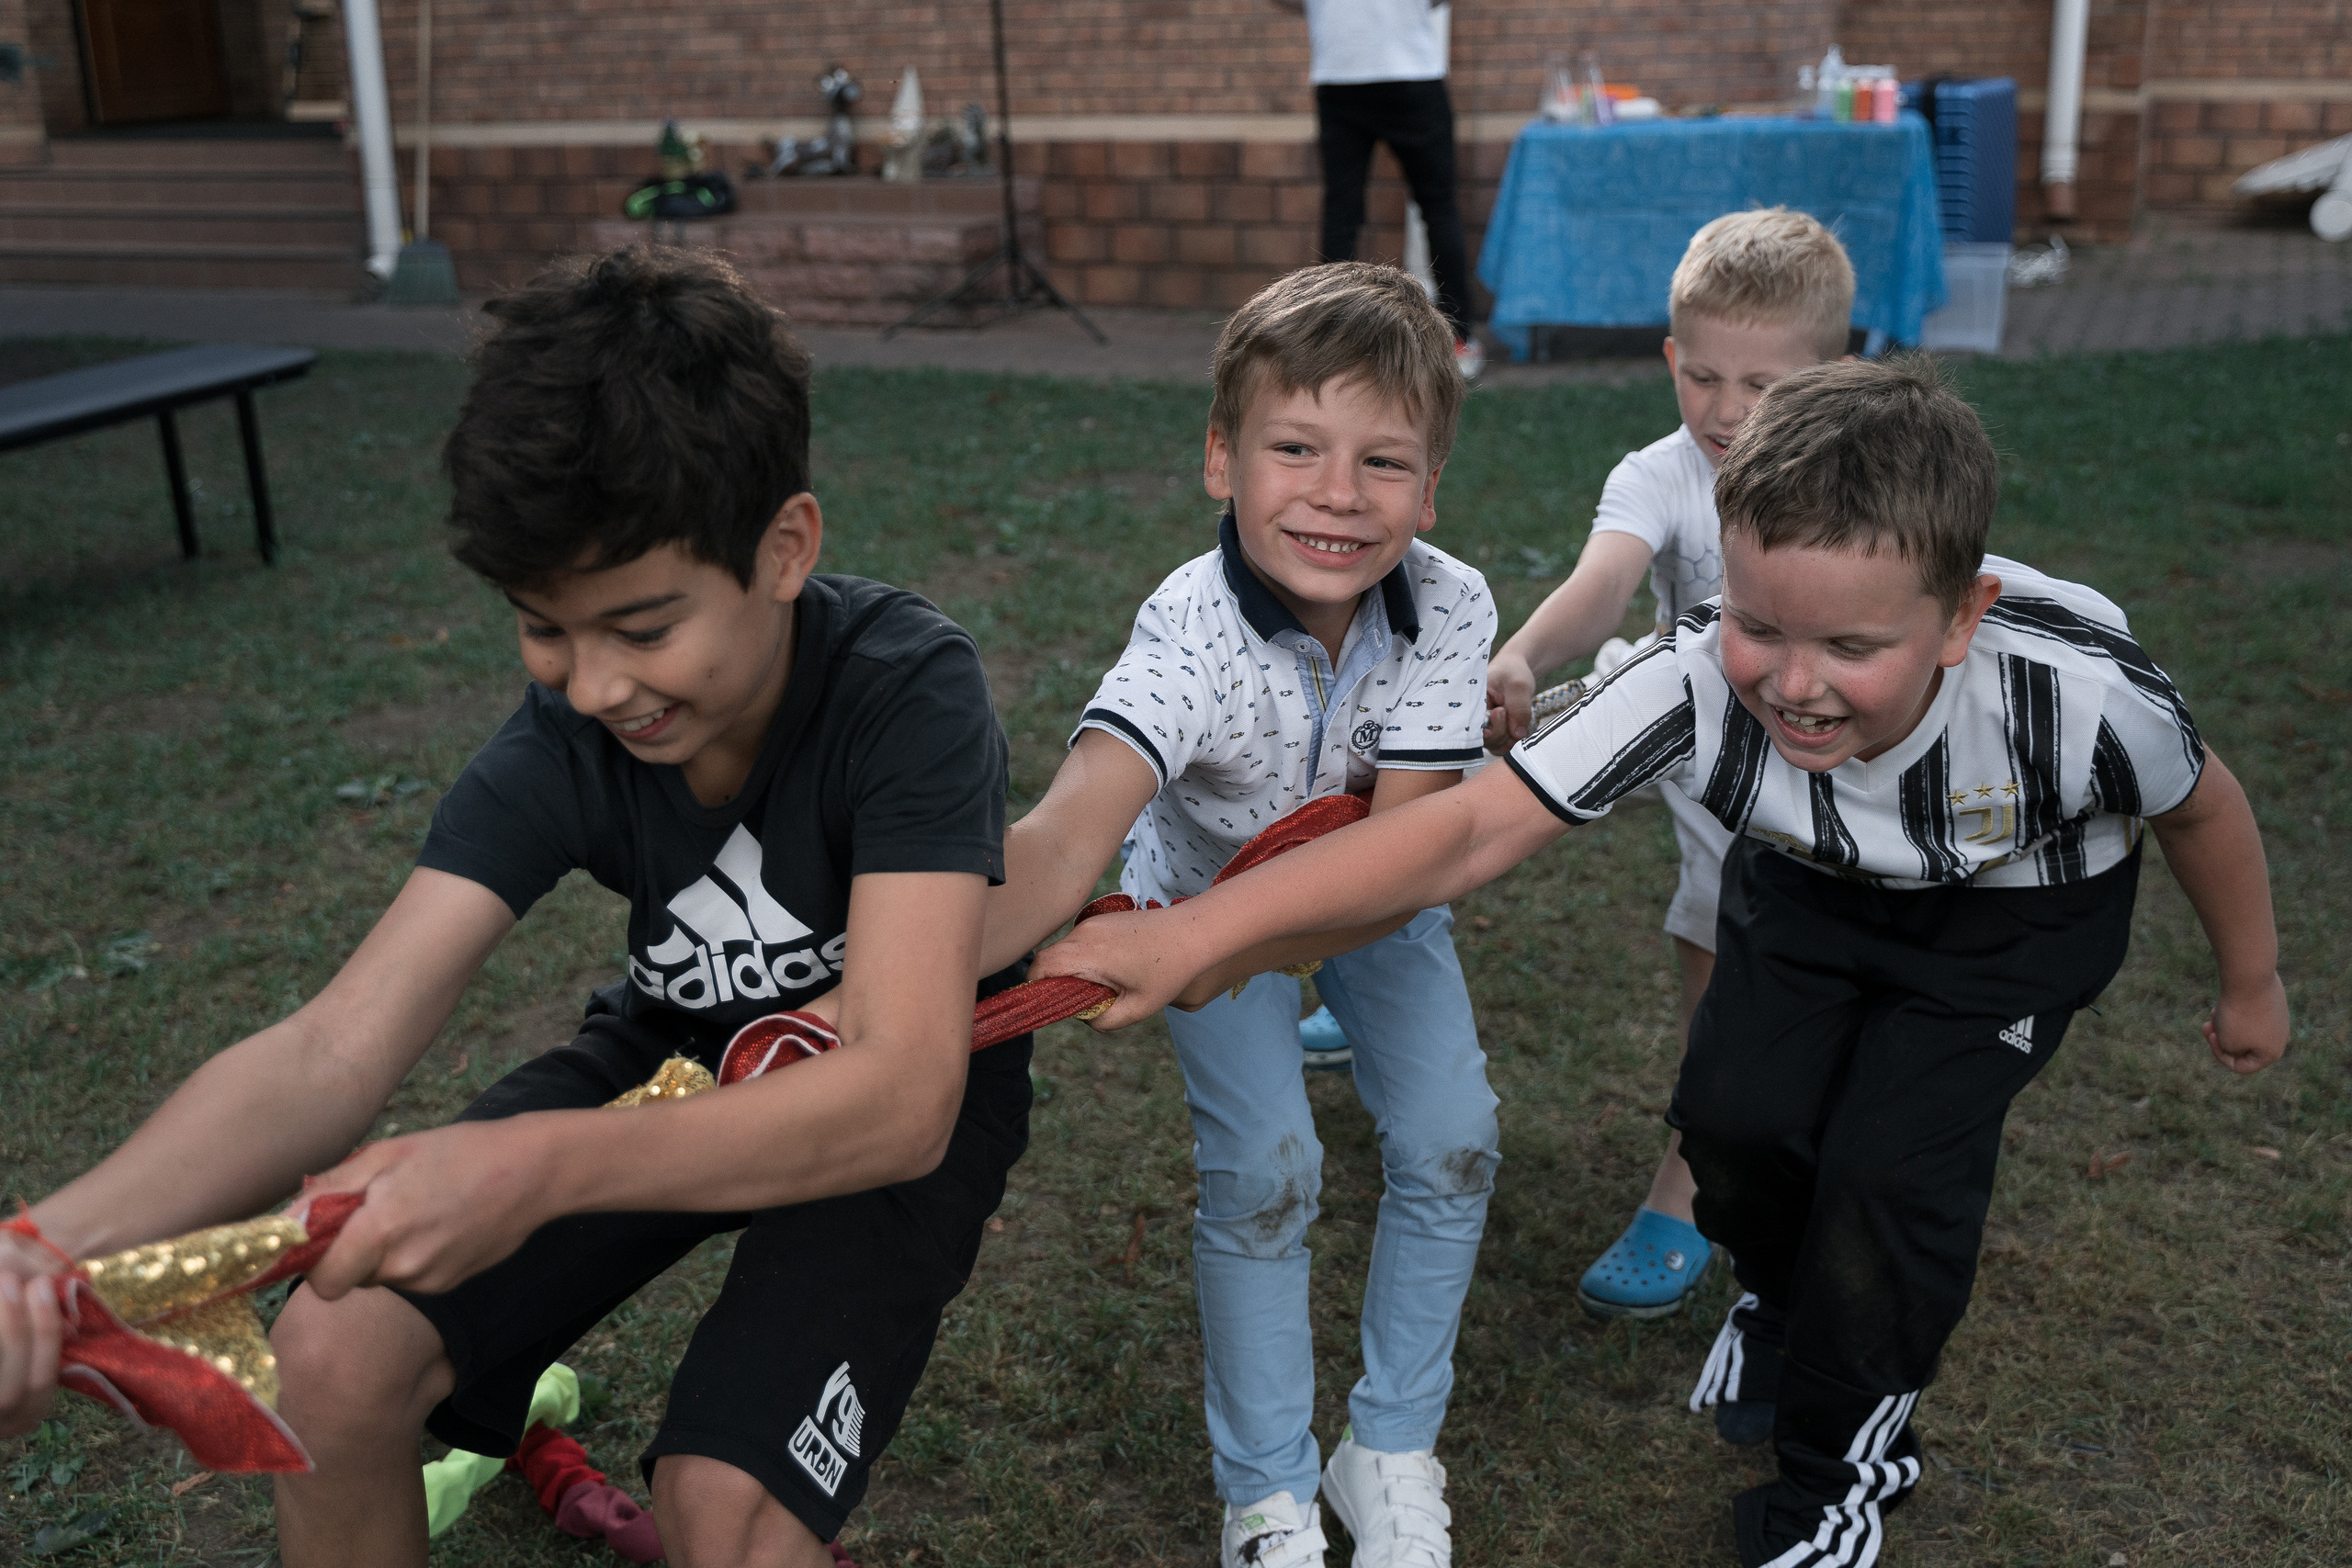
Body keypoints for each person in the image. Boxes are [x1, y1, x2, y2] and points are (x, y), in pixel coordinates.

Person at [1035, 356, 2289, 1568]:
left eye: (1850, 647)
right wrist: (1194, 930)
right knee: (1734, 1124)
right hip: (1813, 879)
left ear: (1963, 616)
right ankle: (1780, 1302)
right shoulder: (1693, 681)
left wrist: (2253, 982)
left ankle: (1838, 1477)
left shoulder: (2076, 699)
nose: (1794, 683)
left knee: (1889, 1176)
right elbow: (1462, 830)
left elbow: (2203, 810)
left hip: (2009, 919)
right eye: (1758, 624)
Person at [0, 246, 1035, 1568]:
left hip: (890, 1087)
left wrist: (531, 1168)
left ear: (785, 548)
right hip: (676, 1052)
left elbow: (898, 1095)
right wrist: (44, 1249)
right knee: (329, 1355)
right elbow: (332, 1047)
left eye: (642, 629)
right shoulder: (566, 739)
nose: (592, 685)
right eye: (545, 626)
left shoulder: (904, 685)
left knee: (724, 1513)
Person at [974, 262, 1497, 1568]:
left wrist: (1233, 948)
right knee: (1266, 1171)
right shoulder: (1188, 632)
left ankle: (1389, 1447)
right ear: (1222, 457)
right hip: (1193, 902)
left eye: (1384, 462)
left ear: (1430, 489)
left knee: (1454, 1139)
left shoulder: (1453, 604)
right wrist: (917, 959)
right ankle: (1266, 1493)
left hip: (1371, 897)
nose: (1338, 493)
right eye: (1295, 447)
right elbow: (1068, 834)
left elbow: (1404, 857)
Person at [1480, 208, 1856, 1322]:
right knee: (1466, 775)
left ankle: (1704, 1178)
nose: (1725, 412)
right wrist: (1524, 654)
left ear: (1831, 374)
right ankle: (1379, 970)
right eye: (1700, 377)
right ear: (1668, 358)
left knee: (1745, 952)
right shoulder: (1661, 472)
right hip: (1678, 716)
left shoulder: (1865, 474)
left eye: (1761, 385)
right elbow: (1604, 583)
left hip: (1798, 753)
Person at [1272, 0, 1482, 379]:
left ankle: (1330, 339)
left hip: (1341, 69)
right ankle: (1457, 340)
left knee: (1342, 211)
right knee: (1438, 206)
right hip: (1410, 71)